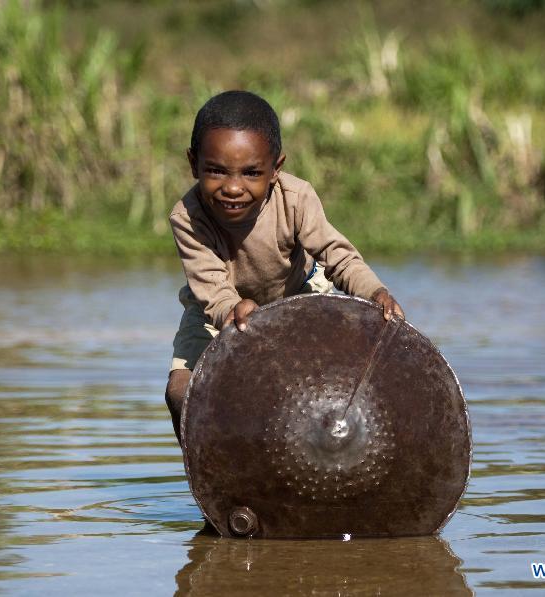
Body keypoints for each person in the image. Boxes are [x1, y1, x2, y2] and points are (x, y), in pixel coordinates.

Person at [164, 90, 404, 441]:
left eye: (251, 173)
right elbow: (211, 288)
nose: (232, 187)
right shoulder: (188, 217)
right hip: (217, 310)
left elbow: (338, 256)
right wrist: (233, 309)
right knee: (180, 391)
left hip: (299, 293)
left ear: (275, 168)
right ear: (193, 163)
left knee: (309, 391)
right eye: (215, 171)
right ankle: (213, 481)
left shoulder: (296, 198)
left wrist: (375, 292)